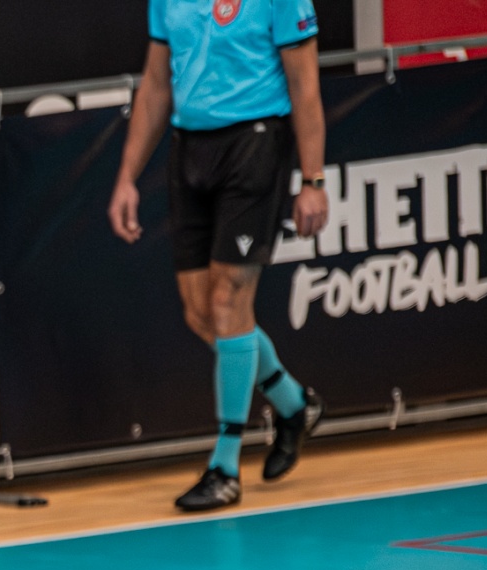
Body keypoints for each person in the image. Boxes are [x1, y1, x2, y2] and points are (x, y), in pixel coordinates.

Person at [109, 0, 330, 512]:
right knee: (201, 313)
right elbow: (156, 83)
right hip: (190, 149)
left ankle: (225, 467)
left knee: (229, 302)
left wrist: (313, 180)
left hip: (255, 143)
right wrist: (126, 178)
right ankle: (294, 405)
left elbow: (305, 86)